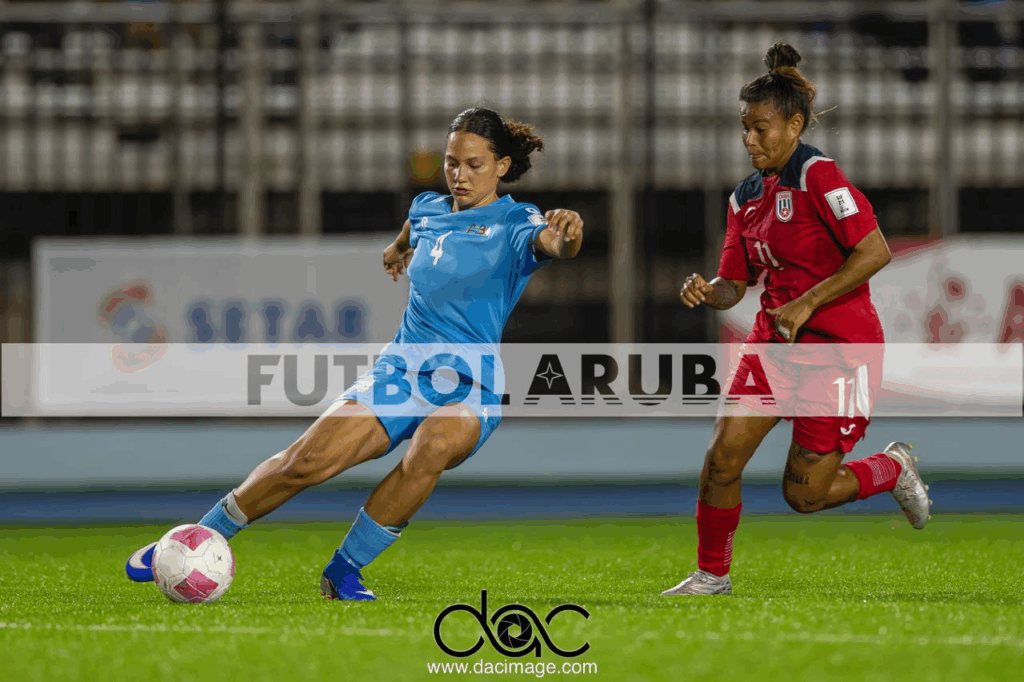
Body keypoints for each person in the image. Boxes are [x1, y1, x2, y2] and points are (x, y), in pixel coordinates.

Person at [125, 107, 584, 600]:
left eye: (474, 165)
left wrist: (568, 235)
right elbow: (411, 231)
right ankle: (193, 539)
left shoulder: (516, 220)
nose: (459, 175)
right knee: (305, 462)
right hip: (402, 372)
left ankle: (344, 570)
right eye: (452, 162)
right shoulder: (427, 208)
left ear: (502, 167)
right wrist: (396, 249)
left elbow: (553, 245)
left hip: (471, 385)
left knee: (431, 446)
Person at [662, 43, 931, 596]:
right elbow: (734, 283)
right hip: (774, 348)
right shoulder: (743, 199)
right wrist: (708, 290)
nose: (749, 139)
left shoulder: (817, 175)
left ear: (794, 125)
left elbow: (874, 251)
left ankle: (891, 468)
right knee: (721, 459)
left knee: (804, 495)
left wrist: (807, 302)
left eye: (761, 128)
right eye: (744, 128)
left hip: (839, 352)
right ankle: (712, 577)